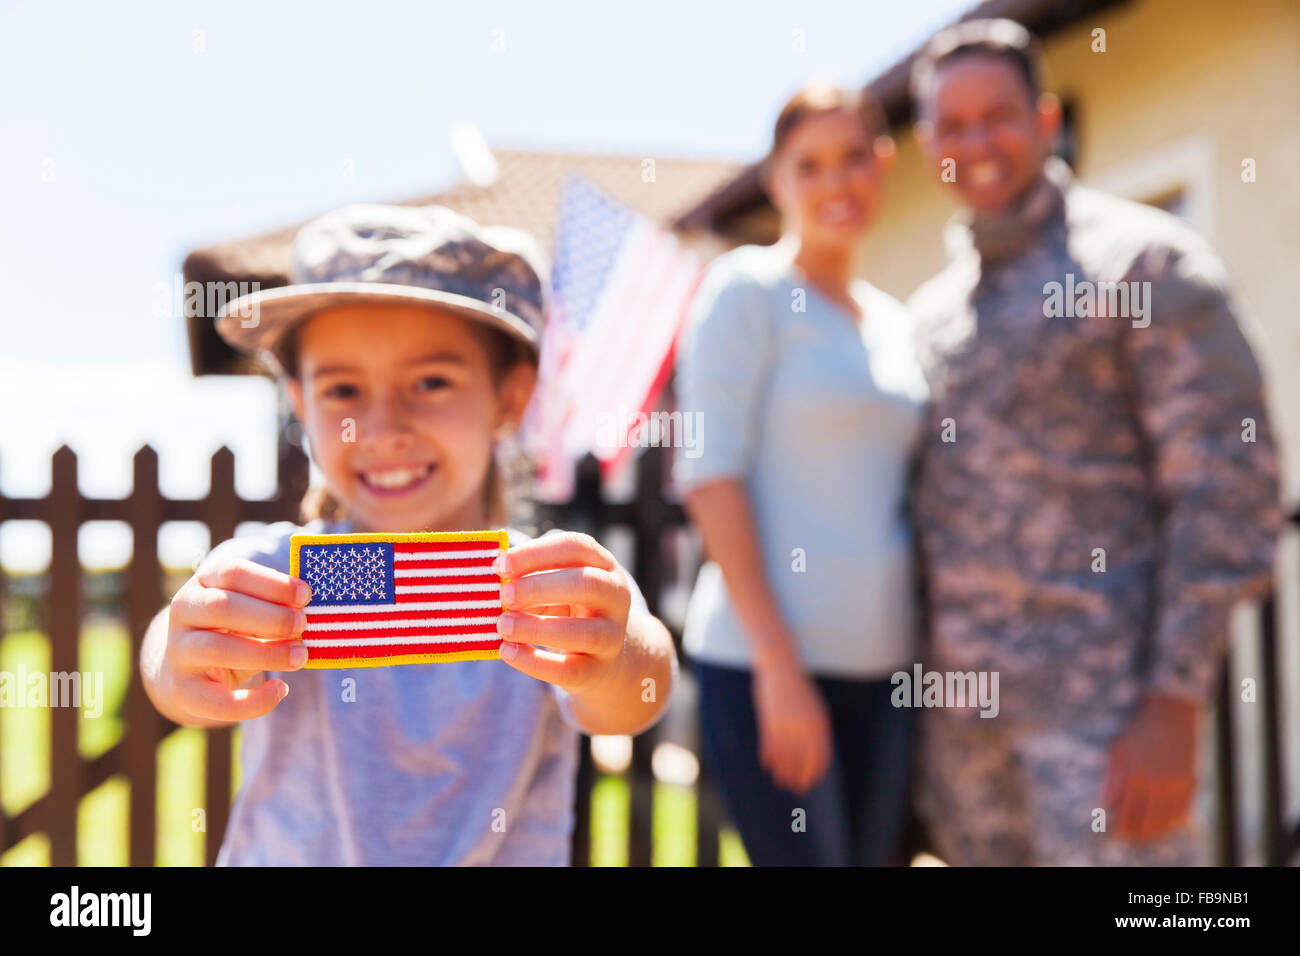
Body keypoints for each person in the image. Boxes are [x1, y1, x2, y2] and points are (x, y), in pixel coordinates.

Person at [139, 203, 677, 865]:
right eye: (342, 390)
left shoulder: (542, 584)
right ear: (301, 405)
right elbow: (170, 647)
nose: (384, 426)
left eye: (430, 381)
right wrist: (176, 656)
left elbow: (638, 698)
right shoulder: (279, 573)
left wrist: (617, 654)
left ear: (509, 398)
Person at [906, 18, 1282, 865]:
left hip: (1105, 725)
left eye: (997, 116)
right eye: (953, 126)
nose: (977, 142)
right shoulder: (933, 313)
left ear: (1045, 121)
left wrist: (1174, 702)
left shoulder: (1141, 267)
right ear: (929, 144)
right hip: (966, 737)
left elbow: (1229, 485)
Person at [674, 79, 929, 865]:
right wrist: (780, 671)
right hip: (769, 667)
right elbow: (711, 477)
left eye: (853, 157)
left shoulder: (894, 322)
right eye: (808, 164)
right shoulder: (747, 292)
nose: (834, 182)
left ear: (884, 163)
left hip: (884, 668)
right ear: (778, 180)